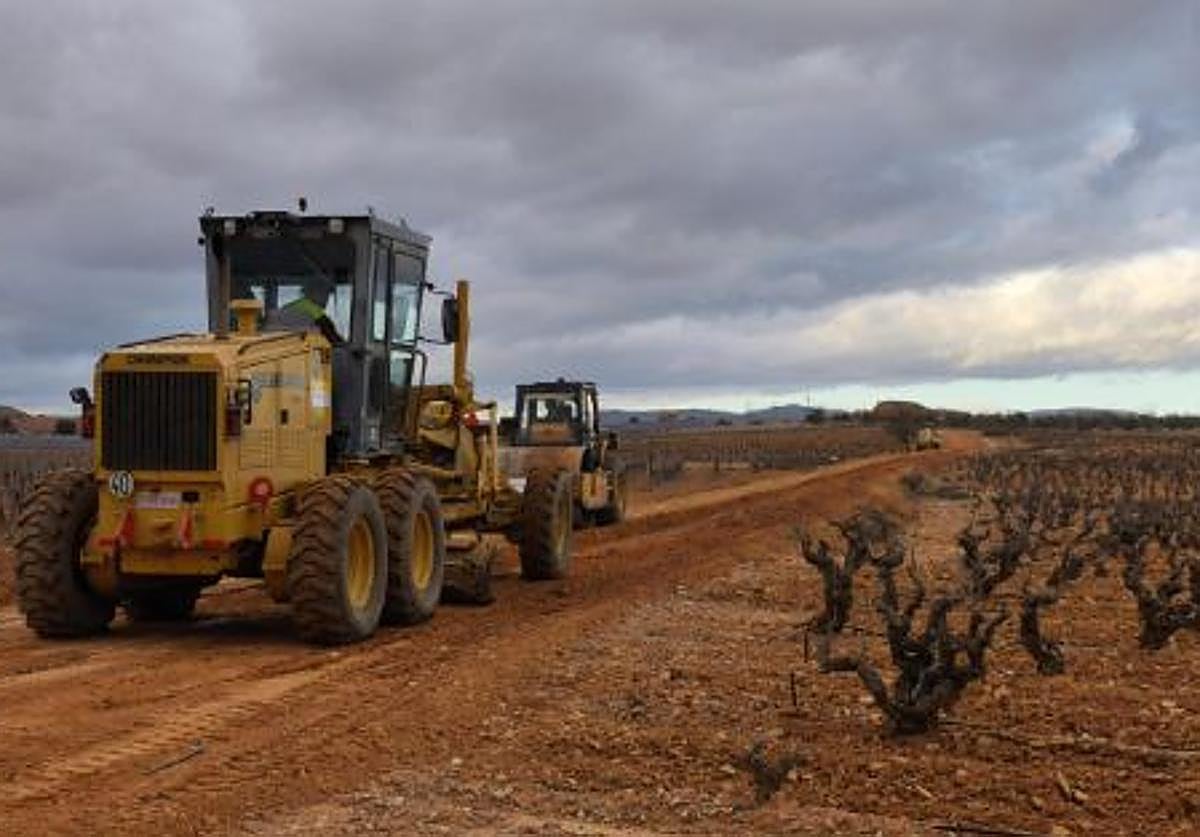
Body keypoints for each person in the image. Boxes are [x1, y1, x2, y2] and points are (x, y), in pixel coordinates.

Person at [275, 282, 344, 344]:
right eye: (324, 293)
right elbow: (331, 335)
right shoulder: (311, 308)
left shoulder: (288, 307)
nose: (326, 299)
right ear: (312, 292)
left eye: (327, 295)